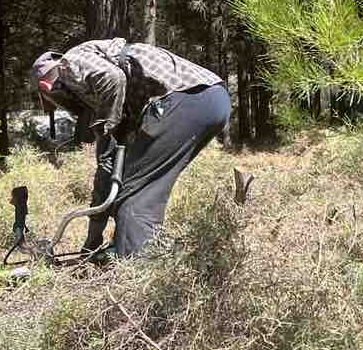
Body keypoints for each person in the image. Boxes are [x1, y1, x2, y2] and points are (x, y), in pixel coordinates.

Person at [30, 38, 229, 262]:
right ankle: (140, 251)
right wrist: (91, 243)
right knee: (141, 186)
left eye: (53, 101)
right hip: (211, 99)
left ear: (46, 88)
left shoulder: (70, 62)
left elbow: (113, 79)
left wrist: (108, 127)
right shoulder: (110, 98)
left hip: (188, 97)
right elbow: (106, 171)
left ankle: (139, 271)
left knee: (134, 197)